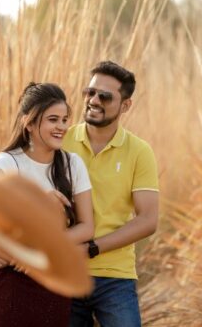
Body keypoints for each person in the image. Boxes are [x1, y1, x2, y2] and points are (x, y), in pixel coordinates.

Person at [0, 82, 94, 327]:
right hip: (10, 280)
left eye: (65, 120)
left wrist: (42, 247)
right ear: (30, 123)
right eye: (53, 120)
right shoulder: (4, 166)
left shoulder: (72, 164)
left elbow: (87, 227)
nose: (62, 127)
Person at [62, 61, 159, 327]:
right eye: (89, 92)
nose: (94, 100)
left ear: (126, 105)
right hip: (65, 272)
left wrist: (92, 248)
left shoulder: (139, 151)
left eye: (105, 96)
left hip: (115, 276)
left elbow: (148, 219)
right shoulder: (62, 141)